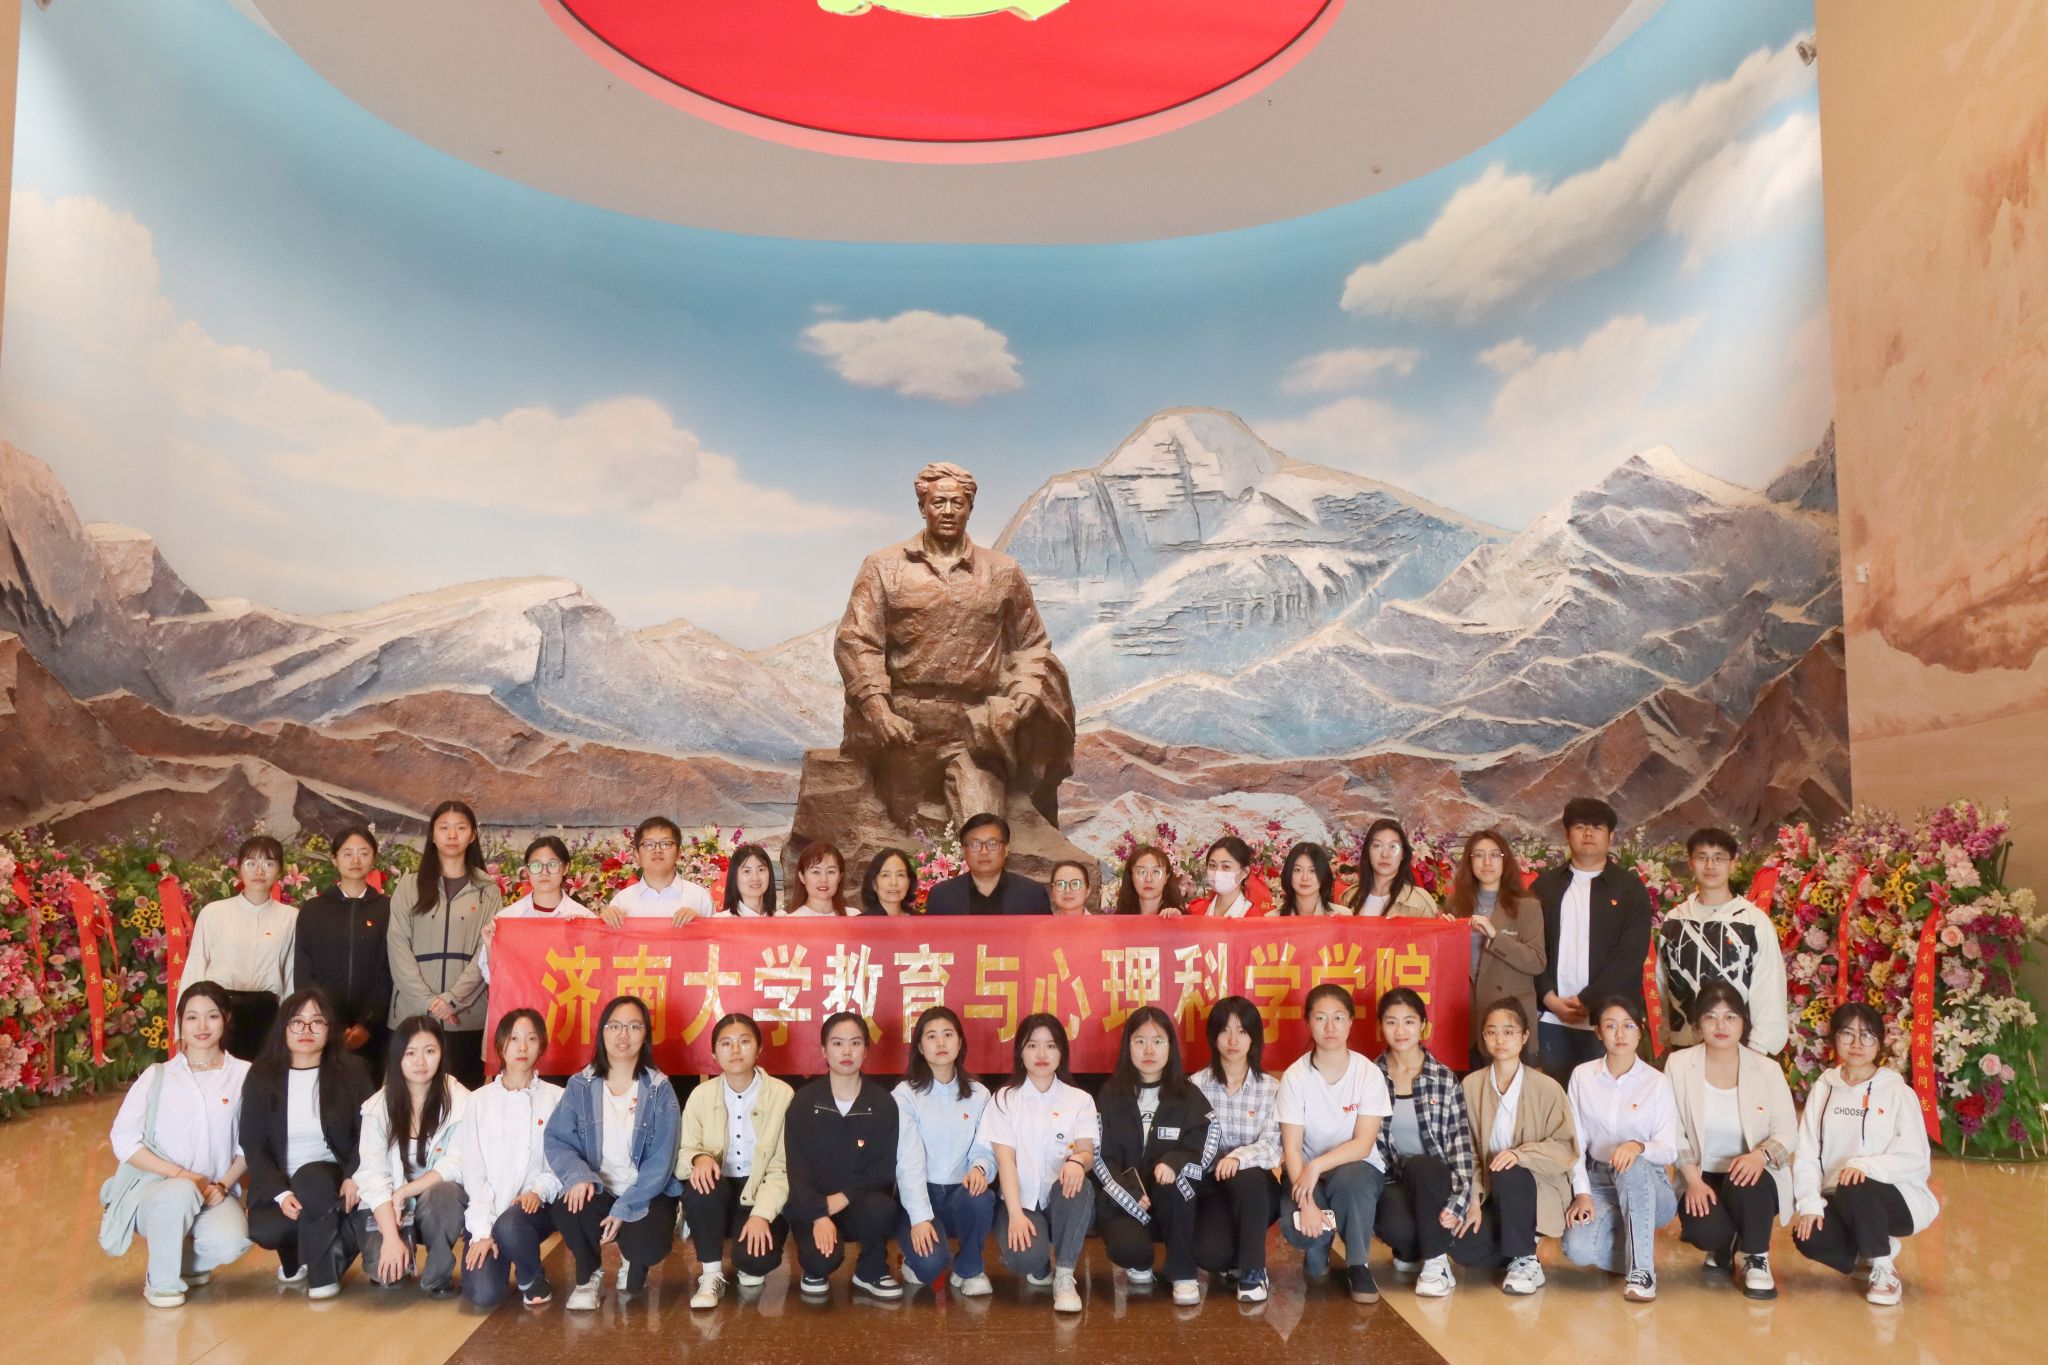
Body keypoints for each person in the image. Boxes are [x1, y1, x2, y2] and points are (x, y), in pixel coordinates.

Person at [103, 982, 252, 1307]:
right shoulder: (159, 1075)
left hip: (213, 1191)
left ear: (226, 1019)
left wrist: (223, 1185)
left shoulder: (244, 1075)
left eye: (212, 1016)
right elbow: (123, 1139)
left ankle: (184, 1262)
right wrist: (184, 1176)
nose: (202, 1026)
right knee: (181, 1192)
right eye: (192, 1017)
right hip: (157, 1190)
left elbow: (251, 1143)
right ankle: (162, 1283)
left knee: (231, 1243)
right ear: (180, 1022)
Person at [1792, 1001, 1939, 1306]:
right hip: (1839, 1197)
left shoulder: (1897, 1092)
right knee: (1809, 1235)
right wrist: (1809, 1203)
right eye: (1847, 1034)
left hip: (1896, 1198)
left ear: (1879, 1043)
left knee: (1854, 1184)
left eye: (1867, 1036)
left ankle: (1884, 1268)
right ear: (1835, 1039)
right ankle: (1868, 1251)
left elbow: (1915, 1157)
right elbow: (1807, 1154)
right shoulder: (1824, 1088)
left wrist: (1864, 1166)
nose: (1857, 1044)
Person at [545, 994, 683, 1310]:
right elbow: (558, 1139)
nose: (623, 1035)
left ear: (645, 1034)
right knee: (569, 1204)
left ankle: (633, 1257)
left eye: (634, 1026)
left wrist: (625, 1208)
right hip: (599, 1188)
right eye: (615, 1026)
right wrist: (578, 1176)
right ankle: (588, 1275)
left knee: (646, 1251)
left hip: (644, 1192)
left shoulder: (660, 1089)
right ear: (602, 1032)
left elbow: (661, 1162)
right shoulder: (580, 1084)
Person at [1667, 982, 1798, 1300]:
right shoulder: (1679, 1065)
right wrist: (1692, 1181)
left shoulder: (1766, 1069)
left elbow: (1787, 1132)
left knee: (1746, 1181)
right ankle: (1723, 1245)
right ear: (1698, 1024)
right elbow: (1671, 1129)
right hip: (1702, 1173)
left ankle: (1757, 1257)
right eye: (1710, 1017)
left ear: (1743, 1022)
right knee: (1704, 1231)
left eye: (1730, 1017)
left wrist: (1760, 1156)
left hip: (1752, 1175)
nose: (1721, 1026)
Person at [243, 987, 374, 1299]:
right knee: (266, 1229)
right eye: (297, 1022)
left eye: (317, 1022)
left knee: (311, 1177)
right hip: (282, 1184)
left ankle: (323, 1275)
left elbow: (371, 1130)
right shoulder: (262, 1075)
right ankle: (302, 1253)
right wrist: (280, 1193)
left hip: (330, 1178)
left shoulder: (352, 1071)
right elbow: (252, 1142)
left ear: (330, 1029)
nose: (306, 1030)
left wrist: (353, 1174)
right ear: (283, 1028)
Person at [1452, 999, 1577, 1295]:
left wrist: (1520, 1155)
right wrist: (1472, 1198)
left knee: (1508, 1169)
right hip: (1489, 1190)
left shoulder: (1547, 1088)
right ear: (1483, 1038)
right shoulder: (1470, 1086)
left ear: (1524, 1036)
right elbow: (1466, 1150)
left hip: (1536, 1186)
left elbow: (1565, 1147)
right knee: (1462, 1247)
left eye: (1509, 1032)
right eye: (1491, 1032)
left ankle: (1525, 1258)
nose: (1500, 1039)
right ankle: (1516, 1246)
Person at [1278, 983, 1392, 1304]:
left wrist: (1317, 1165)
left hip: (1356, 1170)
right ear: (1308, 1022)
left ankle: (1358, 1264)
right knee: (1304, 1232)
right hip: (1305, 1174)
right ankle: (1318, 1249)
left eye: (1339, 1018)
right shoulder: (1295, 1077)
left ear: (1351, 1022)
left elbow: (1363, 1144)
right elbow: (1291, 1150)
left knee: (1352, 1178)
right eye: (1320, 1018)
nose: (1330, 1027)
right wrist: (1307, 1204)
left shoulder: (1368, 1073)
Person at [1091, 1005, 1214, 1305]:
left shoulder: (1188, 1094)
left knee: (1177, 1182)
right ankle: (1141, 1261)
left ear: (1170, 1047)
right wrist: (1128, 1191)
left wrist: (1174, 1162)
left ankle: (1183, 1273)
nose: (1149, 1050)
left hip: (1172, 1205)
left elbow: (1205, 1143)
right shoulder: (1111, 1094)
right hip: (1125, 1202)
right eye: (1140, 1041)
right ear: (1128, 1046)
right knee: (1129, 1249)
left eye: (1158, 1041)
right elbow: (1100, 1153)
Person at [1561, 996, 1679, 1300]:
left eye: (1628, 1026)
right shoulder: (1582, 1076)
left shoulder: (1657, 1082)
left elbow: (1669, 1149)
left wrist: (1638, 1147)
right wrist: (1582, 1193)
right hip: (1599, 1181)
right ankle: (1636, 1242)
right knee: (1577, 1249)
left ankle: (1642, 1272)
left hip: (1650, 1185)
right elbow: (1576, 1142)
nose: (1620, 1034)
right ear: (1598, 1032)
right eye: (1611, 1026)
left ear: (1640, 1031)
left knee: (1632, 1165)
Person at [978, 1013, 1096, 1313]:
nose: (1042, 1054)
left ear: (1062, 1052)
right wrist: (1016, 1215)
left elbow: (1087, 1153)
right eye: (1032, 1045)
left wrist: (1077, 1162)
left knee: (1079, 1186)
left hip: (1061, 1200)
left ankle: (1065, 1277)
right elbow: (1005, 1160)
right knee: (1025, 1258)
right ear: (1020, 1052)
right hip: (1021, 1201)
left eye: (1051, 1046)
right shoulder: (1004, 1099)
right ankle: (1039, 1261)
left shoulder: (1080, 1099)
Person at [1533, 797, 1653, 1084]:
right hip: (1552, 1018)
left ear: (1611, 836)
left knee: (1608, 1097)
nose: (1588, 833)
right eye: (1580, 826)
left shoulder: (1629, 888)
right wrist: (1549, 998)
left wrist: (1589, 999)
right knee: (1555, 1097)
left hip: (1609, 1019)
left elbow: (1630, 954)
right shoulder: (1545, 886)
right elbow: (1530, 947)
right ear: (1566, 834)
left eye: (1597, 827)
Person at [786, 1012, 904, 1299]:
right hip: (811, 1205)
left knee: (882, 1208)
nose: (847, 1051)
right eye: (838, 1043)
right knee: (821, 1260)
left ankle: (871, 1271)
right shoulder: (804, 1101)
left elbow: (882, 1168)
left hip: (857, 1203)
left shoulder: (882, 1103)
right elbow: (796, 1168)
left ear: (866, 1050)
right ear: (824, 1050)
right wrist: (819, 1213)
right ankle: (813, 1269)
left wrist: (841, 1198)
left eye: (855, 1043)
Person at [680, 1013, 793, 1308]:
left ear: (759, 1049)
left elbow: (783, 1167)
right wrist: (699, 1158)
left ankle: (746, 1255)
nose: (735, 1050)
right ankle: (711, 1274)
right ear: (714, 1053)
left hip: (761, 1189)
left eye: (744, 1042)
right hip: (718, 1190)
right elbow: (682, 1152)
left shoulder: (782, 1094)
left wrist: (761, 1214)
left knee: (756, 1262)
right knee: (702, 1183)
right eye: (725, 1043)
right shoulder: (701, 1096)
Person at [1371, 988, 1477, 1298]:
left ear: (1423, 1026)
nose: (1400, 1031)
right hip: (1393, 1178)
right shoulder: (1370, 1076)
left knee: (1421, 1166)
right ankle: (1411, 1248)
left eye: (1409, 1021)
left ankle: (1436, 1263)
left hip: (1434, 1178)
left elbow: (1460, 1144)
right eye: (1391, 1022)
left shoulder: (1443, 1078)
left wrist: (1461, 1199)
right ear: (1380, 1027)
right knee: (1395, 1227)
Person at [388, 801, 501, 1090]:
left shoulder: (487, 889)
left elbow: (486, 951)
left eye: (460, 828)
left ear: (472, 835)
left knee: (464, 1099)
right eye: (444, 828)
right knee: (410, 1100)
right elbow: (398, 946)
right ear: (433, 834)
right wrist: (427, 1001)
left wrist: (452, 999)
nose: (452, 835)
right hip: (413, 1014)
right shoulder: (409, 886)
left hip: (466, 1016)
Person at [356, 1016, 470, 1297]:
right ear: (397, 1057)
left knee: (446, 1193)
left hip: (434, 1197)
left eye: (429, 1051)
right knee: (386, 1275)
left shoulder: (461, 1100)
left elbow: (457, 1163)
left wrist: (406, 1191)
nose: (420, 1062)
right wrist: (390, 1236)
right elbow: (373, 1175)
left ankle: (438, 1274)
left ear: (441, 1053)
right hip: (389, 1203)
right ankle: (396, 1248)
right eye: (410, 1053)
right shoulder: (377, 1107)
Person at [459, 1008, 564, 1310]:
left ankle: (531, 1276)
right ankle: (504, 1245)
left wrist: (538, 1190)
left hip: (533, 1209)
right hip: (489, 1212)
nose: (522, 1047)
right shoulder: (478, 1101)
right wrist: (482, 1232)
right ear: (500, 1044)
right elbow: (474, 1173)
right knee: (483, 1295)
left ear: (541, 1045)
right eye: (514, 1038)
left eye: (531, 1038)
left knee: (512, 1225)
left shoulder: (558, 1097)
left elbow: (561, 1160)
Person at [892, 1005, 997, 1294]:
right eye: (931, 1036)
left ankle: (969, 1268)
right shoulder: (905, 1095)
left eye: (948, 1034)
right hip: (920, 1192)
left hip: (960, 1194)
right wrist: (919, 1217)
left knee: (981, 1197)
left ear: (960, 1042)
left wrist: (980, 1168)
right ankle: (916, 1258)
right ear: (920, 1047)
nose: (941, 1043)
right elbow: (908, 1161)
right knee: (929, 1266)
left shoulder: (979, 1094)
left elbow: (986, 1147)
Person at [1657, 828, 1790, 1055]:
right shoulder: (1675, 920)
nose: (1710, 866)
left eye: (1719, 858)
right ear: (1690, 863)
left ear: (1733, 863)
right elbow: (1662, 983)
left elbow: (1769, 987)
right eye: (1702, 857)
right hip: (1684, 1049)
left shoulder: (1752, 921)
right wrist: (1667, 1037)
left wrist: (1757, 1050)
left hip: (1739, 1050)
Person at [1191, 996, 1283, 1302]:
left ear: (1253, 1037)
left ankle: (1254, 1270)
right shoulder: (1195, 1086)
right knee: (1209, 1254)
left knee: (1248, 1177)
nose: (1233, 1040)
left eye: (1242, 1031)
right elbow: (1189, 1142)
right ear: (1213, 1035)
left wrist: (1236, 1157)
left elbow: (1273, 1145)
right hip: (1212, 1186)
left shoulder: (1270, 1088)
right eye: (1225, 1031)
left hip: (1256, 1190)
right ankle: (1235, 1258)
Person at [181, 834, 297, 1060]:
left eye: (269, 864)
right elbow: (194, 969)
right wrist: (183, 1029)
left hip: (267, 1014)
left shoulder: (291, 918)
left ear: (280, 871)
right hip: (218, 1010)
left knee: (262, 1077)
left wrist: (290, 1025)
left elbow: (291, 975)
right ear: (239, 868)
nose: (259, 871)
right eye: (251, 863)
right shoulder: (213, 913)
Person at [293, 826, 392, 1084]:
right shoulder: (313, 911)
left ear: (373, 858)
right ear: (335, 859)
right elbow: (304, 972)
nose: (355, 860)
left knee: (370, 1096)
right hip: (322, 1028)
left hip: (373, 1032)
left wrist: (368, 1024)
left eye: (363, 853)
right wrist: (329, 1023)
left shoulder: (387, 910)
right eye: (347, 853)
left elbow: (390, 970)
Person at [1446, 830, 1545, 1066]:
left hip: (1508, 1024)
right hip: (1465, 1019)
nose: (1487, 862)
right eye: (1479, 855)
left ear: (1505, 860)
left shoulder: (1527, 906)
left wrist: (1495, 936)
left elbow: (1536, 962)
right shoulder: (1455, 905)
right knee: (1470, 1088)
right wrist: (1443, 935)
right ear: (1469, 861)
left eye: (1494, 855)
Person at [476, 836, 594, 984]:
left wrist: (584, 937)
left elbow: (597, 974)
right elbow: (493, 980)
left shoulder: (585, 919)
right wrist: (490, 946)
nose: (544, 872)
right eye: (536, 865)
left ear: (565, 868)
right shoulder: (508, 919)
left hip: (567, 997)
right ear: (527, 870)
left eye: (552, 865)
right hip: (522, 999)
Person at [923, 813, 1052, 915]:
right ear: (963, 850)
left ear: (1006, 849)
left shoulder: (1032, 894)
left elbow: (1045, 938)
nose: (984, 851)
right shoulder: (942, 895)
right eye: (975, 844)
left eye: (992, 844)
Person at [603, 817, 717, 925]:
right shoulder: (621, 902)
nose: (657, 850)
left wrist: (700, 925)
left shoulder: (699, 897)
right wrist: (605, 922)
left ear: (678, 853)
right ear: (637, 854)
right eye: (649, 845)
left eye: (666, 844)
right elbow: (609, 939)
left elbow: (715, 938)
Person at [1344, 820, 1439, 917]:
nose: (1385, 854)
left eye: (1393, 847)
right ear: (1367, 852)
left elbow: (1434, 927)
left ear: (1403, 854)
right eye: (1377, 846)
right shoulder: (1349, 896)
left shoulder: (1420, 902)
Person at [1188, 836, 1274, 917]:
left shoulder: (1253, 918)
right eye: (1212, 865)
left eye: (1226, 866)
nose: (1218, 872)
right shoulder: (1196, 910)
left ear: (1244, 872)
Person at [1113, 844, 1186, 916]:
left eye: (1156, 872)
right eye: (1141, 872)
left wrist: (1178, 921)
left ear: (1166, 877)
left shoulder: (1179, 917)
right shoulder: (1118, 919)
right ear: (1131, 876)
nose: (1148, 879)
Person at [786, 842, 853, 917]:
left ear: (840, 876)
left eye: (831, 872)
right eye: (816, 872)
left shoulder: (854, 916)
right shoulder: (792, 919)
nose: (823, 879)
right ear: (802, 876)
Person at [1277, 842, 1343, 917]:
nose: (1305, 878)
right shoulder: (1272, 918)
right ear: (1288, 873)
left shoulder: (1343, 915)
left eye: (1312, 870)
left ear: (1323, 874)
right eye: (1297, 870)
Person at [717, 843, 780, 916]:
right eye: (747, 871)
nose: (755, 878)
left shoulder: (781, 918)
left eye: (761, 870)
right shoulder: (722, 919)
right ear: (734, 877)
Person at [859, 847, 920, 916]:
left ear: (909, 882)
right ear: (874, 883)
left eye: (900, 875)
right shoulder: (860, 922)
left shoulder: (922, 920)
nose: (894, 883)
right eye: (885, 875)